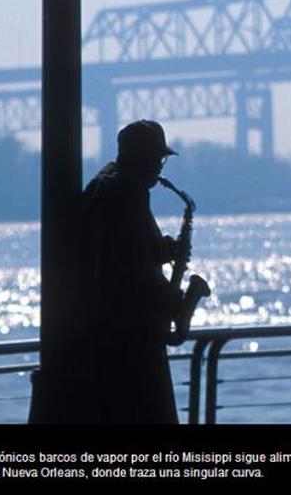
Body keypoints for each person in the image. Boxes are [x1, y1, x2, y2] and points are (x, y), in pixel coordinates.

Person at [81, 119, 209, 423]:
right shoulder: (127, 193)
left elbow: (126, 252)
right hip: (133, 345)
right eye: (157, 159)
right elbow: (133, 273)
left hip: (112, 340)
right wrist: (175, 303)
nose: (159, 168)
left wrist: (162, 251)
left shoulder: (105, 185)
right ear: (140, 157)